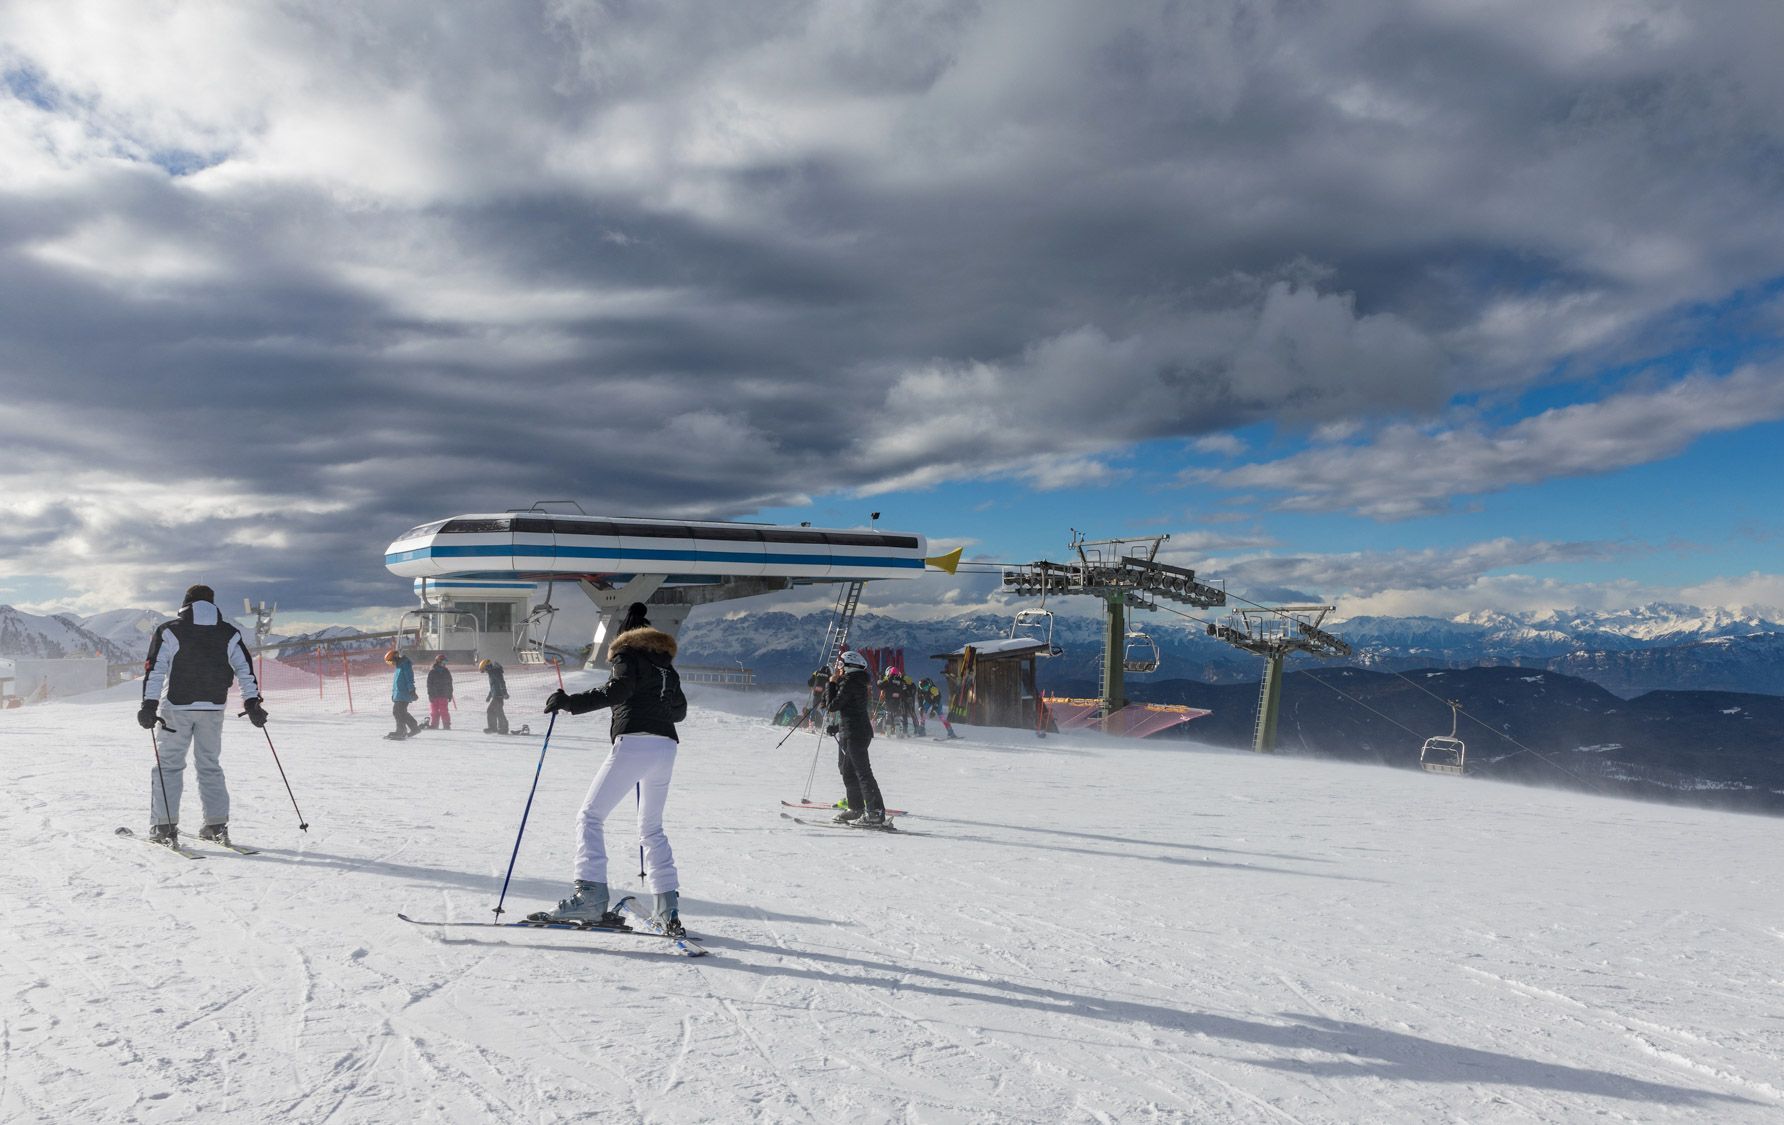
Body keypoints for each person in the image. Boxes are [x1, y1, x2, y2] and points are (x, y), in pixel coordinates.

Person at [536, 602, 688, 936]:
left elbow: (617, 689)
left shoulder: (626, 656)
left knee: (590, 817)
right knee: (651, 828)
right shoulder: (666, 666)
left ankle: (590, 897)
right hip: (666, 746)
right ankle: (667, 909)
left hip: (635, 742)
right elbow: (679, 711)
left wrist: (570, 702)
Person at [137, 584, 267, 847]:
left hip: (176, 708)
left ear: (186, 602)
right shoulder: (229, 632)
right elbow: (244, 668)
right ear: (212, 604)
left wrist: (149, 705)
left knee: (169, 766)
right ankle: (216, 825)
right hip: (213, 708)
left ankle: (164, 826)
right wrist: (252, 702)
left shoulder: (170, 630)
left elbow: (155, 668)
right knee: (209, 765)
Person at [825, 650, 887, 825]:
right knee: (848, 772)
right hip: (853, 730)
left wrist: (831, 684)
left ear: (849, 666)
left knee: (862, 773)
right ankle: (856, 808)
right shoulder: (855, 682)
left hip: (855, 734)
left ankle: (875, 812)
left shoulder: (851, 682)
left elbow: (833, 705)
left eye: (840, 665)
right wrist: (838, 727)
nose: (838, 669)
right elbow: (853, 710)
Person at [385, 649, 421, 739]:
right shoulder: (399, 667)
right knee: (399, 712)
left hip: (404, 693)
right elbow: (397, 683)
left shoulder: (405, 665)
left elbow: (409, 679)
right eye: (389, 663)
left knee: (399, 712)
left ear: (396, 657)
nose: (392, 664)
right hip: (399, 694)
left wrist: (412, 691)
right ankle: (411, 728)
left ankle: (402, 731)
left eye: (391, 662)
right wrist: (394, 695)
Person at [479, 658, 509, 734]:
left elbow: (502, 683)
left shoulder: (495, 672)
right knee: (498, 711)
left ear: (488, 666)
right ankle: (502, 728)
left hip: (498, 695)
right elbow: (493, 687)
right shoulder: (492, 673)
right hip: (496, 695)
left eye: (485, 669)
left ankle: (495, 728)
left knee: (491, 710)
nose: (485, 671)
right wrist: (489, 696)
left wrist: (504, 693)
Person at [425, 654, 454, 730]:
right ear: (438, 662)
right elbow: (429, 684)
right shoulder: (432, 672)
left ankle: (446, 725)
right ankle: (434, 725)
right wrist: (430, 694)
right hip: (434, 695)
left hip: (443, 694)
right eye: (443, 662)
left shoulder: (446, 672)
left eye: (445, 662)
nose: (444, 664)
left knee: (443, 710)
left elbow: (449, 683)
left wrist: (450, 694)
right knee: (434, 711)